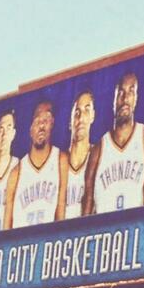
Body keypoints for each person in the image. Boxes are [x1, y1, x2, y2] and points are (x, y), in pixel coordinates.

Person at [82, 72, 144, 214]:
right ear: (113, 100)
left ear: (136, 98)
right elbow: (88, 201)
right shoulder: (99, 149)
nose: (125, 98)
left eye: (131, 91)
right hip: (105, 233)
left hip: (134, 231)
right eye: (121, 93)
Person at [4, 100, 68, 228]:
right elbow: (7, 226)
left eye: (46, 120)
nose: (42, 126)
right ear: (30, 129)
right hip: (20, 244)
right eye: (38, 121)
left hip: (47, 242)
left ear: (52, 125)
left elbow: (61, 211)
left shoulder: (60, 159)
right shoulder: (16, 172)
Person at [66, 91, 95, 219]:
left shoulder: (99, 156)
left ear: (93, 116)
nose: (81, 118)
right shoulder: (57, 163)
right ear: (69, 122)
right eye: (76, 113)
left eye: (86, 110)